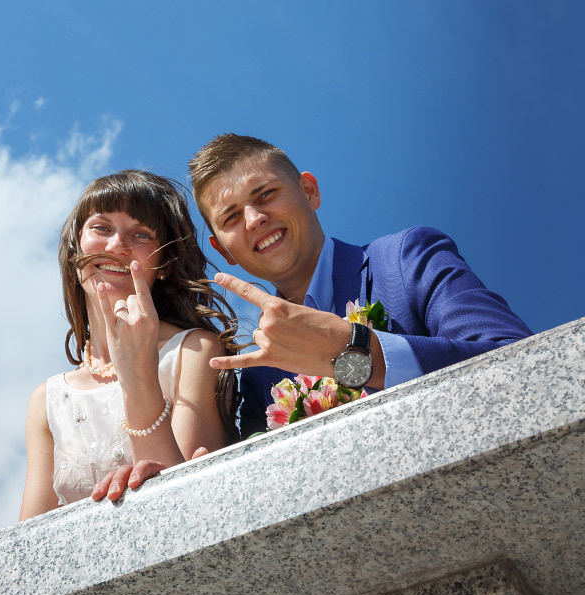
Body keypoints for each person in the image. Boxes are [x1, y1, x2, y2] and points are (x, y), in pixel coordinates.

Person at [94, 132, 533, 494]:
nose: (254, 219)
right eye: (230, 218)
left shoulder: (404, 260)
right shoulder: (258, 371)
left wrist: (353, 351)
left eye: (266, 194)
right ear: (221, 249)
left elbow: (520, 362)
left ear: (309, 190)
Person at [0, 169, 237, 562]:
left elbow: (189, 515)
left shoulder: (197, 351)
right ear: (75, 249)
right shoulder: (47, 399)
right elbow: (30, 548)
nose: (117, 246)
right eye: (102, 228)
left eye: (141, 235)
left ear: (163, 263)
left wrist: (136, 375)